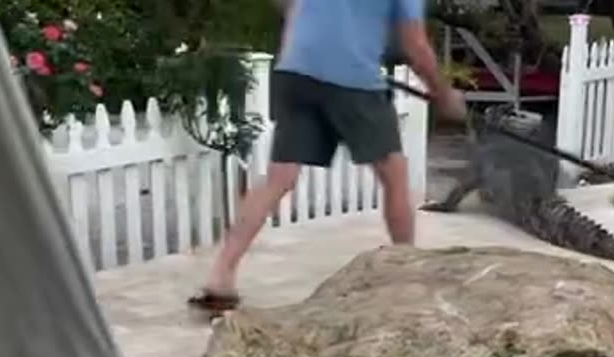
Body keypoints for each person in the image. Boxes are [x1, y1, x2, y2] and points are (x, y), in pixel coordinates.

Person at [189, 0, 467, 311]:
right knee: (394, 172)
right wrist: (444, 96)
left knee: (279, 177)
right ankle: (405, 270)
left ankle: (221, 274)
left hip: (296, 72)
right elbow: (414, 44)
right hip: (353, 77)